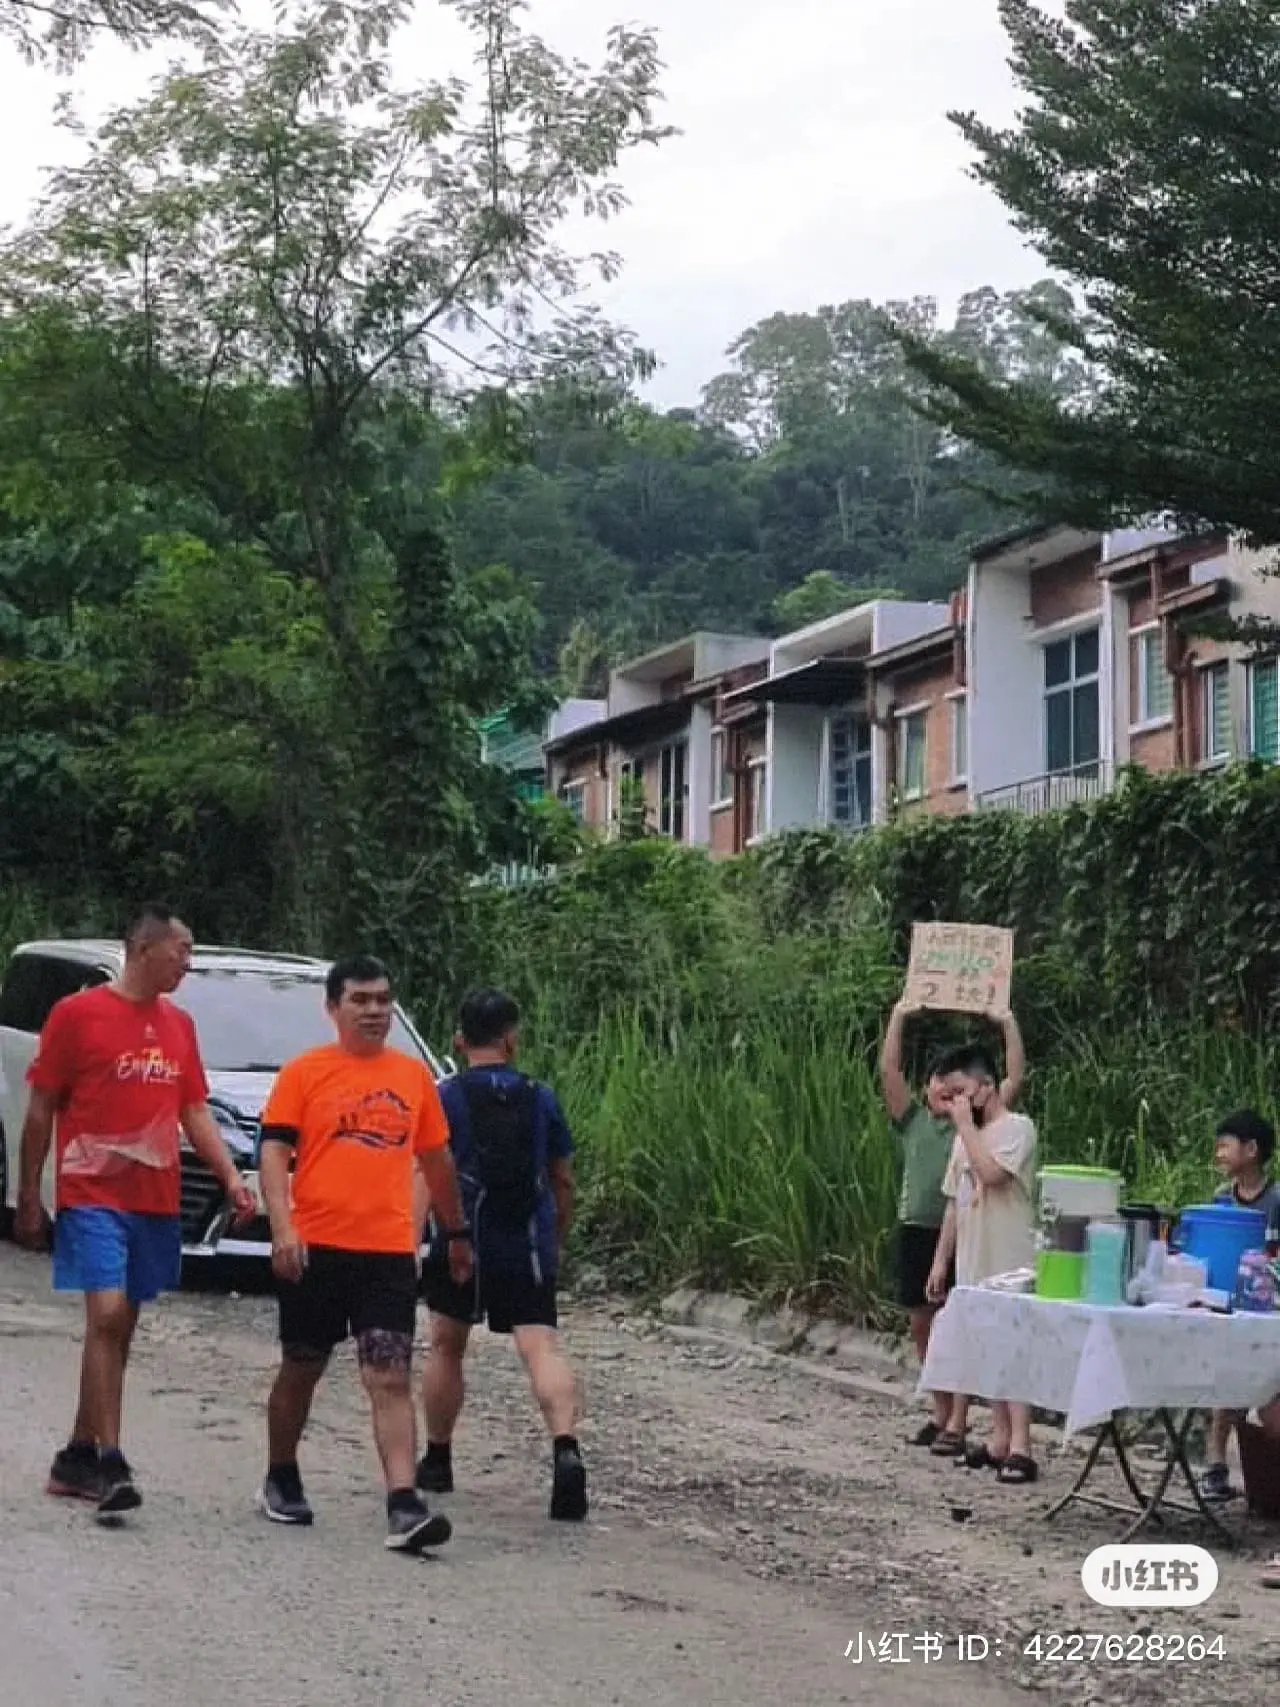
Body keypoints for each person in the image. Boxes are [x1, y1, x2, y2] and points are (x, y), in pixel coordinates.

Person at [14, 903, 256, 1520]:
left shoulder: (178, 1026)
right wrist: (29, 1194)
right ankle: (110, 1461)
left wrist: (232, 1178)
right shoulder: (76, 1015)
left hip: (153, 1198)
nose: (188, 964)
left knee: (120, 1327)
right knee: (107, 1312)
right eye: (182, 952)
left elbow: (194, 1110)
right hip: (92, 1192)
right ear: (144, 949)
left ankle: (74, 1454)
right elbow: (41, 1107)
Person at [255, 954, 473, 1554]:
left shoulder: (412, 1079)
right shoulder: (304, 1073)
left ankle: (404, 1503)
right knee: (303, 1366)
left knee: (389, 1375)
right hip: (316, 1247)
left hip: (385, 1252)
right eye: (361, 1000)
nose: (375, 1011)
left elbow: (436, 1162)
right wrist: (283, 1227)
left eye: (383, 1000)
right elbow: (274, 1153)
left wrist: (454, 1234)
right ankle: (281, 1473)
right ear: (333, 1008)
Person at [417, 987, 587, 1522]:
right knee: (540, 1346)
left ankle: (439, 1458)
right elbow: (561, 1179)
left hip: (462, 1233)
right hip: (524, 1238)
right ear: (512, 1039)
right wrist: (553, 1238)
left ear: (459, 1040)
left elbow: (430, 1166)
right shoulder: (541, 1097)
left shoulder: (444, 1096)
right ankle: (565, 1448)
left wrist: (433, 1232)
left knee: (447, 1344)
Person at [879, 997, 1024, 1449]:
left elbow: (1013, 1078)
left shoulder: (982, 1125)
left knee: (956, 1322)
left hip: (970, 1232)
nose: (944, 1088)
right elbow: (889, 1074)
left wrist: (1007, 1024)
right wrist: (900, 1016)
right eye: (937, 1081)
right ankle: (940, 1410)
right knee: (922, 1322)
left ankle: (959, 1420)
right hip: (920, 1228)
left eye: (954, 1083)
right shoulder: (915, 1121)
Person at [925, 1043, 1039, 1483]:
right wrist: (941, 1262)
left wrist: (965, 1127)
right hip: (973, 1258)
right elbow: (955, 1201)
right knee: (987, 1348)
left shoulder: (1017, 1128)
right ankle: (998, 1438)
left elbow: (992, 1175)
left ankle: (1022, 1445)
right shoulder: (962, 1138)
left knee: (1013, 1348)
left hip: (1010, 1257)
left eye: (962, 1091)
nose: (957, 1101)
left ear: (988, 1087)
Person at [1199, 1109, 1280, 1503]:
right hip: (1226, 1306)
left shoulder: (1276, 1201)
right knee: (1222, 1381)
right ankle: (1215, 1463)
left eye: (1226, 1144)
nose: (1219, 1152)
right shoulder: (1219, 1202)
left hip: (1268, 1312)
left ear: (1251, 1150)